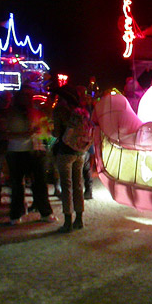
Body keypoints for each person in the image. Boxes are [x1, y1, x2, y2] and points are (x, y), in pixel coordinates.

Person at [5, 87, 56, 225]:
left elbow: (48, 134)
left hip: (35, 152)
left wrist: (47, 149)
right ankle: (17, 213)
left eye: (29, 96)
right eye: (26, 96)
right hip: (17, 152)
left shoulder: (37, 113)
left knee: (39, 183)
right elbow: (4, 133)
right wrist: (25, 134)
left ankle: (44, 212)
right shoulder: (11, 114)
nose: (28, 99)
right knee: (18, 185)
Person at [52, 85, 87, 233]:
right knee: (78, 184)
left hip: (65, 151)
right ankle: (79, 219)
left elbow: (57, 132)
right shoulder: (82, 111)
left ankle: (67, 222)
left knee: (66, 186)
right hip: (80, 151)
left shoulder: (60, 110)